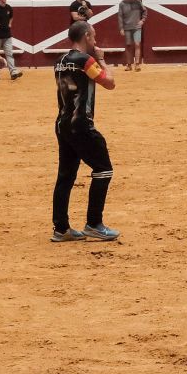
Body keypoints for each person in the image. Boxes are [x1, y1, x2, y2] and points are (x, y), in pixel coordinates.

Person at [52, 21, 120, 242]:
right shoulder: (86, 60)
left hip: (62, 124)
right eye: (94, 37)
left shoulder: (60, 61)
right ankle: (94, 223)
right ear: (87, 36)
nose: (95, 41)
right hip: (81, 124)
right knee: (103, 170)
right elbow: (109, 83)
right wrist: (101, 59)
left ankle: (61, 228)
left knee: (65, 176)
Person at [115, 0, 146, 72]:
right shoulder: (122, 4)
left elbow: (145, 11)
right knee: (128, 45)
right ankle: (129, 64)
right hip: (127, 27)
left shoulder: (138, 2)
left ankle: (137, 64)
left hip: (137, 27)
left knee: (137, 44)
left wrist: (142, 20)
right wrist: (121, 28)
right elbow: (120, 16)